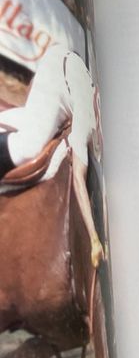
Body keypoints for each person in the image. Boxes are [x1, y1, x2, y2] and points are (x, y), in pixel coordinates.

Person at [0, 43, 104, 268]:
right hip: (60, 74)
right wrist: (93, 237)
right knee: (28, 148)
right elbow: (78, 179)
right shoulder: (85, 124)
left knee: (32, 122)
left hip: (62, 61)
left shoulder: (91, 113)